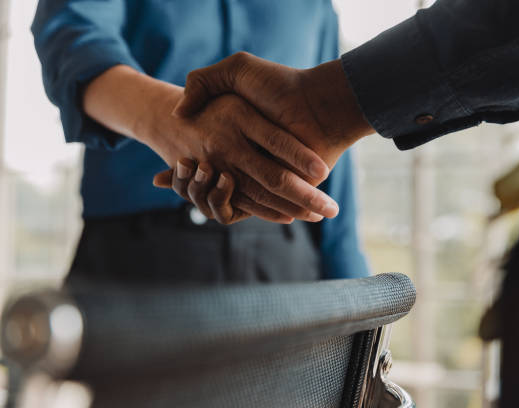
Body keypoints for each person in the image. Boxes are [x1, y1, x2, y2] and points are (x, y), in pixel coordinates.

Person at [153, 0, 519, 407]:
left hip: (287, 258)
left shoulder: (313, 11)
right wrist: (176, 127)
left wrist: (358, 332)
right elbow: (87, 59)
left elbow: (330, 183)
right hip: (145, 262)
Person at [31, 0, 370, 285]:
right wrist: (175, 123)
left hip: (288, 262)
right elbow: (73, 38)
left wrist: (360, 303)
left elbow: (331, 146)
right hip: (134, 256)